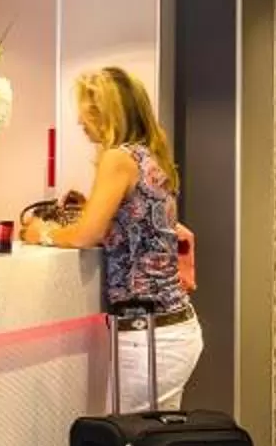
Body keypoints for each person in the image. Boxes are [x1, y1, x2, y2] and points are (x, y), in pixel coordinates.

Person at [39, 66, 200, 410]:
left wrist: (43, 232)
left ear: (107, 113)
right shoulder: (150, 156)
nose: (81, 122)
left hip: (148, 336)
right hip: (172, 329)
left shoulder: (118, 159)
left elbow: (86, 234)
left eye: (87, 111)